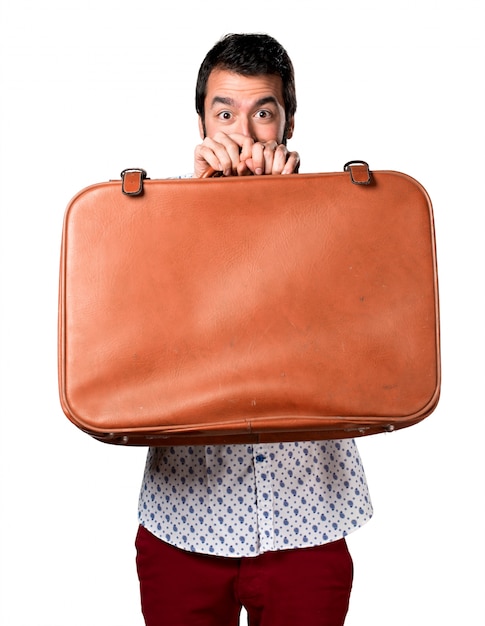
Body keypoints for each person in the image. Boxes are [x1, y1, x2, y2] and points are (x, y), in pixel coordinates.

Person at [135, 33, 373, 626]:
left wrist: (289, 209)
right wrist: (198, 214)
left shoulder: (336, 222)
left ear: (288, 126)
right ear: (200, 123)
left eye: (263, 112)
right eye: (224, 113)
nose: (243, 132)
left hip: (310, 522)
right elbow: (144, 356)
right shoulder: (154, 230)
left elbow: (360, 346)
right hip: (182, 523)